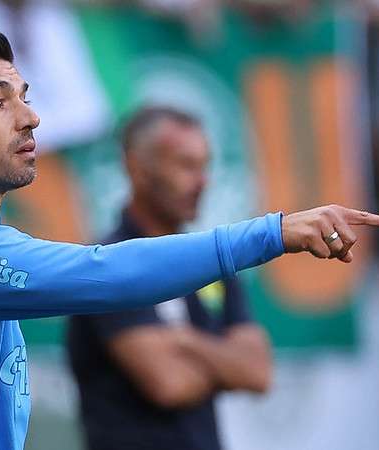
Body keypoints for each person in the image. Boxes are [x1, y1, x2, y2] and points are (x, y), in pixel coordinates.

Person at [0, 31, 379, 450]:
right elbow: (104, 277)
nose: (30, 118)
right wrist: (273, 233)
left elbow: (255, 370)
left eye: (25, 95)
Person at [68, 107, 271, 450]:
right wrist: (222, 359)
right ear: (137, 169)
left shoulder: (209, 260)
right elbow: (168, 383)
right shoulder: (105, 264)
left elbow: (257, 371)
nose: (202, 181)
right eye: (186, 165)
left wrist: (184, 342)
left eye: (204, 165)